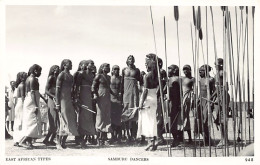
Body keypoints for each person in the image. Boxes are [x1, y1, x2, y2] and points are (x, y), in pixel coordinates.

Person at [137, 53, 159, 151]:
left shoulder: (147, 76)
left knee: (147, 121)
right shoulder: (156, 75)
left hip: (148, 99)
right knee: (153, 120)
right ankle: (154, 141)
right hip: (154, 98)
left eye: (146, 62)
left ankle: (151, 142)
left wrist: (141, 103)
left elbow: (145, 91)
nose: (145, 64)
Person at [55, 59, 79, 149]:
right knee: (63, 121)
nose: (71, 65)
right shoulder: (61, 75)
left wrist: (74, 99)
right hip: (62, 100)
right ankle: (59, 144)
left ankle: (63, 143)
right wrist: (57, 103)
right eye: (70, 64)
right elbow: (57, 90)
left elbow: (72, 90)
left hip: (69, 100)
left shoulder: (71, 76)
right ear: (64, 65)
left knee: (70, 121)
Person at [19, 64, 43, 149]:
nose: (40, 73)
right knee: (33, 122)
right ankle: (22, 141)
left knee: (30, 122)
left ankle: (29, 142)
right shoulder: (32, 79)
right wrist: (36, 106)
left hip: (30, 100)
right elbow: (32, 92)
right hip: (32, 101)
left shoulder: (28, 79)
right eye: (39, 71)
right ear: (35, 71)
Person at [73, 60, 96, 148]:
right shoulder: (81, 73)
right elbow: (76, 86)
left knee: (88, 117)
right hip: (82, 96)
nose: (93, 65)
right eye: (91, 64)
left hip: (89, 97)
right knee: (82, 117)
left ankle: (85, 139)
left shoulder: (92, 75)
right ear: (86, 65)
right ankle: (80, 139)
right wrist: (76, 98)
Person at [92, 63, 116, 146]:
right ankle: (99, 138)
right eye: (107, 67)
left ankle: (105, 138)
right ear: (102, 68)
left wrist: (115, 95)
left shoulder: (109, 77)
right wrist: (95, 94)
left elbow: (109, 89)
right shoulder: (98, 76)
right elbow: (93, 87)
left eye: (109, 67)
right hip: (100, 96)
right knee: (100, 116)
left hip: (107, 97)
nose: (108, 68)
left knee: (106, 117)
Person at [121, 55, 142, 142]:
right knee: (126, 112)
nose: (131, 60)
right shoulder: (124, 70)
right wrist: (120, 94)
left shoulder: (137, 70)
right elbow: (122, 82)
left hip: (134, 93)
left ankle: (133, 134)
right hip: (126, 93)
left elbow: (140, 81)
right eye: (129, 59)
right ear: (127, 60)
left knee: (134, 112)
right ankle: (127, 134)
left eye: (133, 59)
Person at [195, 64, 215, 146]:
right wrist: (198, 99)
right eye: (199, 71)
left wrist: (211, 99)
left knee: (205, 121)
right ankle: (205, 139)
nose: (200, 72)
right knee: (199, 120)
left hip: (207, 101)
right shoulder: (200, 79)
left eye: (202, 71)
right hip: (201, 101)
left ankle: (208, 140)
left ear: (207, 71)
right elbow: (200, 91)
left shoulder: (211, 79)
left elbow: (215, 91)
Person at [212, 58, 230, 146]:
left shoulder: (223, 73)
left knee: (223, 118)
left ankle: (225, 139)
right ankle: (223, 138)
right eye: (215, 64)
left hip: (223, 96)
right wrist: (213, 97)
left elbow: (226, 86)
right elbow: (216, 88)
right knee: (219, 118)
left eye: (217, 64)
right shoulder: (216, 74)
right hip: (218, 96)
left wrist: (222, 97)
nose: (215, 66)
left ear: (221, 64)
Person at [43, 65, 59, 146]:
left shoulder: (58, 78)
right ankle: (48, 139)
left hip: (57, 100)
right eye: (55, 69)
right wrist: (54, 97)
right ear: (52, 70)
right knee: (53, 121)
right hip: (51, 100)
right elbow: (46, 91)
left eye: (58, 68)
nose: (57, 70)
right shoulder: (51, 78)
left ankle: (49, 139)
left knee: (56, 121)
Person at [166, 65, 182, 147]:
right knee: (172, 122)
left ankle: (176, 139)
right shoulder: (171, 79)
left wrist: (176, 104)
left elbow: (176, 94)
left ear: (174, 70)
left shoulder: (174, 79)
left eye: (169, 69)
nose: (167, 71)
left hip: (174, 103)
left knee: (173, 123)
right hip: (172, 103)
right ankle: (176, 139)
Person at [181, 65, 195, 144]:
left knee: (186, 117)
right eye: (184, 70)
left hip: (187, 99)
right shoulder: (181, 78)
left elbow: (194, 89)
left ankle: (190, 138)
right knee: (181, 117)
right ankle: (181, 137)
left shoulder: (192, 79)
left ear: (190, 70)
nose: (185, 71)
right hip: (181, 98)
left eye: (187, 69)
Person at [13, 72, 27, 146]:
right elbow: (23, 97)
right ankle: (19, 140)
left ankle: (16, 140)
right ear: (22, 78)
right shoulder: (22, 85)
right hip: (21, 103)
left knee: (18, 121)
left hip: (18, 104)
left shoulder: (18, 85)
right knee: (21, 121)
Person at [110, 65, 123, 143]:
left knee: (118, 119)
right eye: (115, 69)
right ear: (112, 70)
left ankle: (118, 137)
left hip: (118, 100)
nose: (116, 70)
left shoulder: (121, 79)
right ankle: (112, 136)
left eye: (118, 69)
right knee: (111, 119)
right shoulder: (109, 78)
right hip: (111, 99)